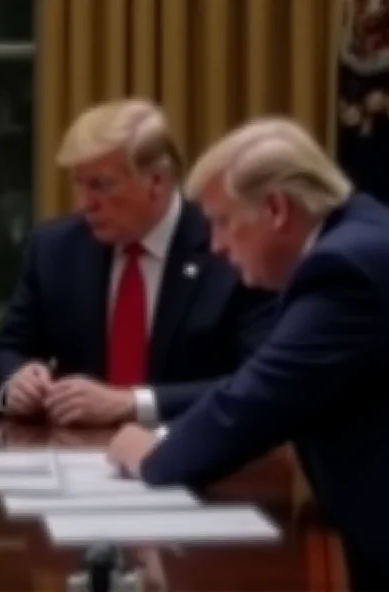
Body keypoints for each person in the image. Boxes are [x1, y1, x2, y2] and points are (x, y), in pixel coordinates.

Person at [108, 117, 389, 590]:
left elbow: (255, 401)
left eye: (222, 222)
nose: (215, 245)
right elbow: (263, 379)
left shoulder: (344, 268)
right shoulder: (359, 234)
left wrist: (153, 454)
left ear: (277, 209)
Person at [0, 99, 275, 427]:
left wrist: (134, 403)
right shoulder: (56, 249)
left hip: (198, 458)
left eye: (101, 185)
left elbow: (259, 382)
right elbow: (4, 354)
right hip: (76, 457)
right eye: (79, 184)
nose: (85, 203)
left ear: (157, 182)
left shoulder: (230, 249)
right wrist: (15, 382)